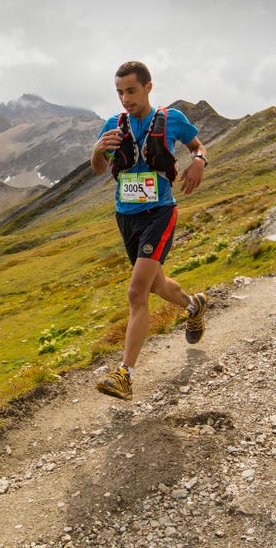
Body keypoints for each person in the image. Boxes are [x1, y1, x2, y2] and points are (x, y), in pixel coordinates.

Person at [90, 61, 210, 401]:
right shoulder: (113, 125)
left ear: (148, 87)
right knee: (156, 285)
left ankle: (124, 374)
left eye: (131, 91)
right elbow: (99, 170)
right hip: (126, 215)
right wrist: (98, 151)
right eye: (120, 93)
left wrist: (200, 161)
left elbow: (198, 146)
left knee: (136, 292)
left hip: (160, 213)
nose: (125, 99)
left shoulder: (171, 119)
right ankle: (193, 306)